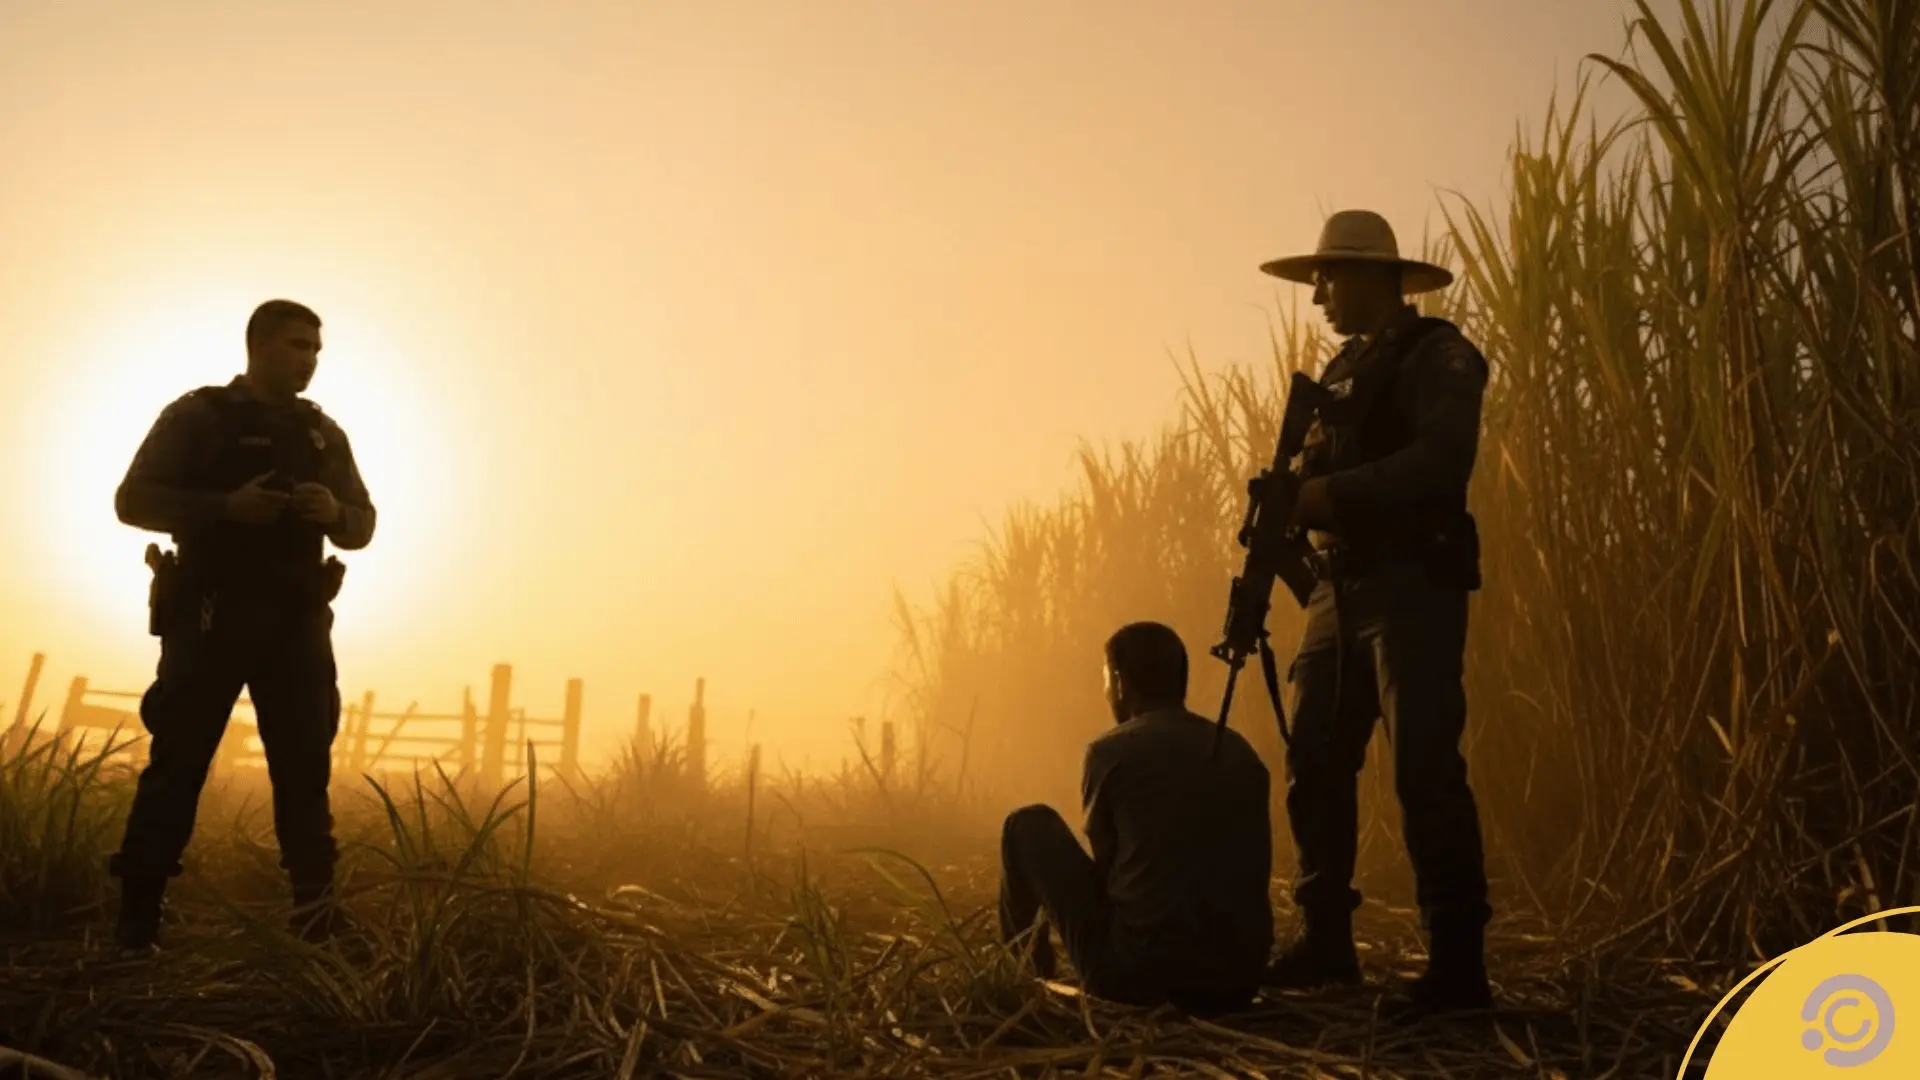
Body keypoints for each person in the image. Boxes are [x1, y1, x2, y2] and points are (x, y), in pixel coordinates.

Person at [1254, 209, 1494, 1014]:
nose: (1317, 294)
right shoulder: (1344, 371)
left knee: (1425, 769)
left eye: (1327, 276)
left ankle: (1458, 966)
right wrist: (1283, 511)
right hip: (1337, 590)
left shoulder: (1439, 355)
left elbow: (1441, 461)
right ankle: (1326, 943)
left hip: (1411, 586)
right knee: (1314, 764)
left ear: (1372, 277)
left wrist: (1326, 495)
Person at [108, 298, 375, 950]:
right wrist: (227, 508)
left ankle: (316, 915)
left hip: (297, 621)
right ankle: (137, 919)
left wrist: (333, 510)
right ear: (257, 346)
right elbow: (132, 500)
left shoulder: (323, 434)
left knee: (305, 764)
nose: (309, 359)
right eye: (296, 345)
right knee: (180, 760)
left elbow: (364, 523)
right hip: (211, 614)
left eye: (315, 348)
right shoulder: (200, 416)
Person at [997, 621, 1273, 1015]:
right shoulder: (1240, 751)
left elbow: (1111, 874)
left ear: (1119, 682)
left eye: (1105, 679)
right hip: (1237, 983)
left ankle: (1025, 979)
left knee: (1026, 825)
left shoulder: (1110, 751)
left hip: (1139, 981)